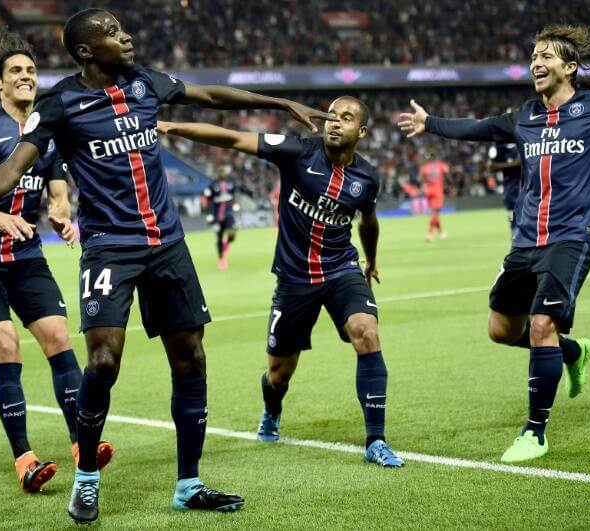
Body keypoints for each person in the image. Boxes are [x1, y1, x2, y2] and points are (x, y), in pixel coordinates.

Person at [0, 8, 334, 523]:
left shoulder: (145, 83)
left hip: (167, 243)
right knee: (102, 363)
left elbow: (209, 95)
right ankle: (88, 477)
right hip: (109, 248)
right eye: (113, 34)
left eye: (123, 29)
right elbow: (11, 168)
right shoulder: (60, 104)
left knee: (191, 358)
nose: (128, 38)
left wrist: (279, 101)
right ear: (85, 51)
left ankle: (189, 483)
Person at [397, 23, 590, 463]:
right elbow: (477, 128)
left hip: (574, 236)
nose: (536, 62)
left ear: (570, 67)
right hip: (525, 240)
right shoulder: (525, 116)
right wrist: (430, 124)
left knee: (542, 325)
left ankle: (535, 431)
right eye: (533, 55)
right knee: (502, 331)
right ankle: (573, 352)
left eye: (546, 56)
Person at [158, 95, 405, 468]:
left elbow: (367, 221)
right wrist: (169, 127)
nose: (334, 122)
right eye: (331, 115)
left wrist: (370, 260)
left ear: (363, 131)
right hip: (294, 280)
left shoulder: (367, 177)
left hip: (341, 270)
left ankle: (376, 440)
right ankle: (272, 410)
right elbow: (231, 138)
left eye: (346, 118)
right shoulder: (296, 152)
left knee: (366, 331)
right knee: (278, 374)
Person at [0, 30, 113, 493]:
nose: (26, 77)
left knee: (59, 338)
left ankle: (83, 443)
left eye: (32, 71)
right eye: (16, 71)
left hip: (27, 257)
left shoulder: (46, 139)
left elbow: (59, 198)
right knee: (6, 345)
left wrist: (63, 218)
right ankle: (25, 459)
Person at [202, 165, 239, 269]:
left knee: (232, 233)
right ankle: (221, 259)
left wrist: (235, 204)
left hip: (228, 214)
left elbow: (233, 196)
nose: (223, 174)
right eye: (221, 172)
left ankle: (227, 242)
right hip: (216, 215)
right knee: (219, 236)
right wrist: (209, 215)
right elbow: (206, 200)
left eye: (224, 172)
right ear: (218, 174)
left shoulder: (231, 184)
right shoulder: (212, 185)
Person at [488, 139, 521, 233]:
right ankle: (514, 232)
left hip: (529, 186)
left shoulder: (525, 137)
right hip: (511, 189)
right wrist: (513, 164)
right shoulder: (500, 145)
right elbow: (490, 167)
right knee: (512, 213)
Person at [419, 156, 449, 241]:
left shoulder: (424, 167)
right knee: (435, 213)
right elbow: (446, 172)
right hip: (437, 190)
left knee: (434, 213)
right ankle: (429, 233)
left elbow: (422, 178)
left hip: (428, 190)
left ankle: (441, 232)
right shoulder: (440, 165)